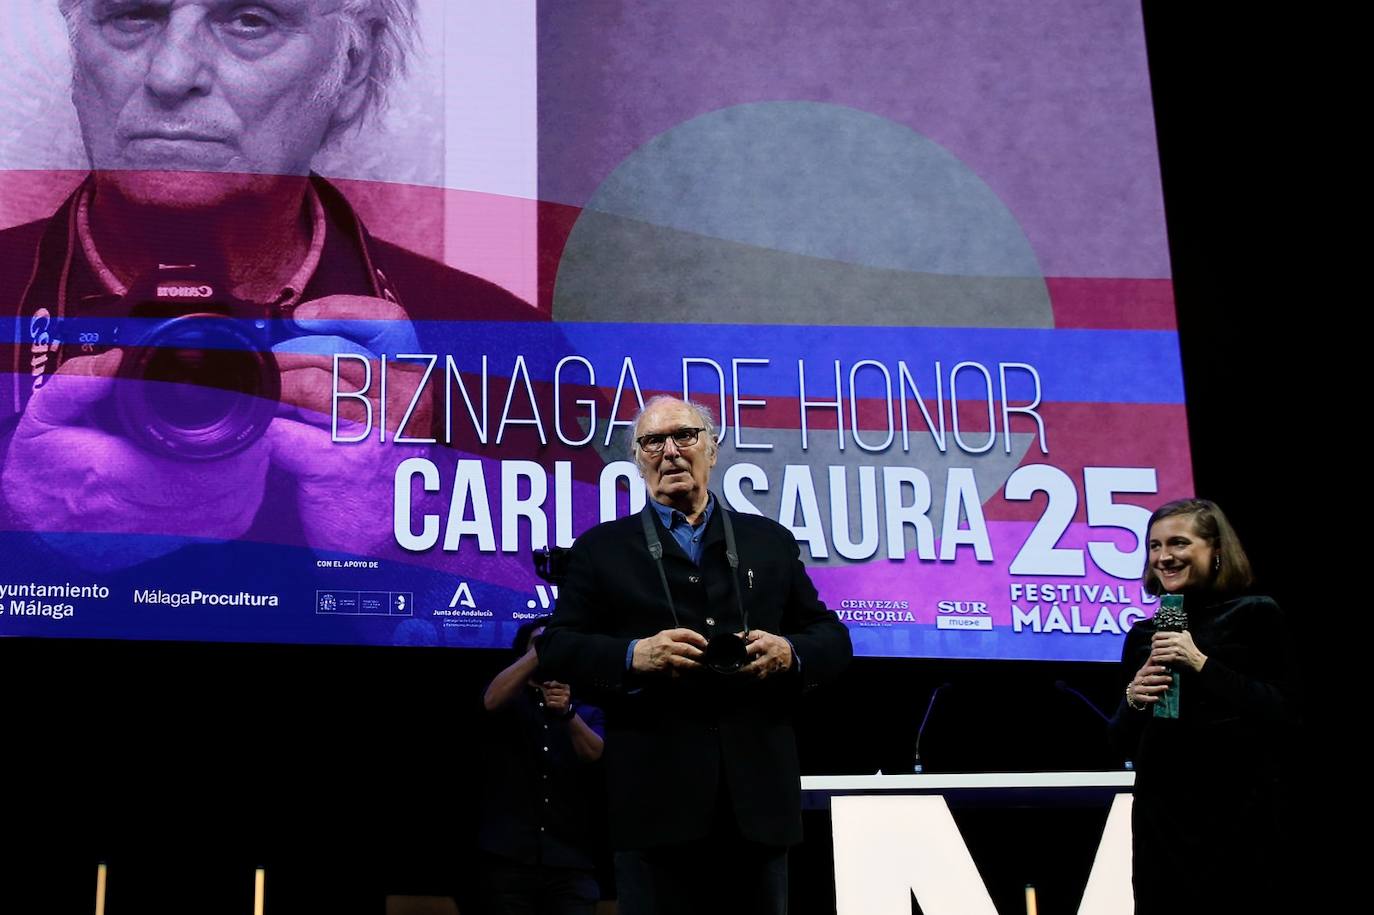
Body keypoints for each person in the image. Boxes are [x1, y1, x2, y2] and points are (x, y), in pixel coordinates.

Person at [0, 0, 539, 569]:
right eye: (133, 16)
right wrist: (22, 531)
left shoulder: (510, 350)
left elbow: (587, 641)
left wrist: (407, 534)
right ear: (79, 53)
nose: (170, 74)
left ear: (353, 67)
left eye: (249, 21)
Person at [536, 395, 853, 915]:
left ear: (713, 448)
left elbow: (833, 639)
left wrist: (789, 652)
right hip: (653, 808)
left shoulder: (767, 541)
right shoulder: (600, 549)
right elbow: (558, 647)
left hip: (758, 805)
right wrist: (635, 655)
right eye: (653, 442)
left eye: (684, 436)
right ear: (637, 460)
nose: (670, 452)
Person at [1111, 498, 1294, 913]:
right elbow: (1118, 742)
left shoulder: (1255, 615)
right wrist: (1132, 699)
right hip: (1163, 815)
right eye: (1154, 546)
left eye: (1178, 543)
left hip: (1240, 812)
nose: (1164, 557)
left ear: (1215, 552)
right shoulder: (1143, 634)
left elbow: (1284, 711)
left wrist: (1200, 663)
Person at [478, 617, 606, 915]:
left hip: (570, 863)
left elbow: (594, 753)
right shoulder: (510, 702)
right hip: (508, 861)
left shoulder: (587, 707)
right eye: (538, 644)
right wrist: (540, 650)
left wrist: (567, 714)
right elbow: (490, 701)